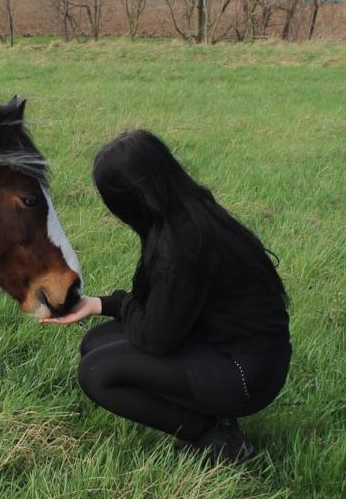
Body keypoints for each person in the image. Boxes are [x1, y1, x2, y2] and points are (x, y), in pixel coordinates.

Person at [42, 130, 291, 463]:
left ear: (131, 199)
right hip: (227, 348)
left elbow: (156, 337)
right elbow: (162, 307)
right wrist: (99, 305)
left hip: (246, 373)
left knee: (97, 372)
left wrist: (122, 307)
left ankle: (216, 437)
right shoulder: (184, 215)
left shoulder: (184, 244)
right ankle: (214, 416)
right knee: (95, 342)